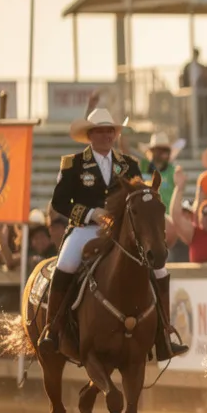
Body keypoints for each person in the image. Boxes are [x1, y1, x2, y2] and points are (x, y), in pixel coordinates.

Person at [44, 107, 186, 359]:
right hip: (85, 228)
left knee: (160, 269)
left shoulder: (128, 164)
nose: (106, 135)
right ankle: (52, 330)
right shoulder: (74, 164)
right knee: (65, 264)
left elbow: (138, 198)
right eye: (100, 131)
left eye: (110, 130)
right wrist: (90, 213)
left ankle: (164, 334)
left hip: (121, 231)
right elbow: (60, 202)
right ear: (90, 135)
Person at [136, 132, 183, 207]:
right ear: (153, 151)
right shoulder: (143, 166)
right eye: (160, 149)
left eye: (166, 150)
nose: (165, 153)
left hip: (167, 215)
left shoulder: (174, 171)